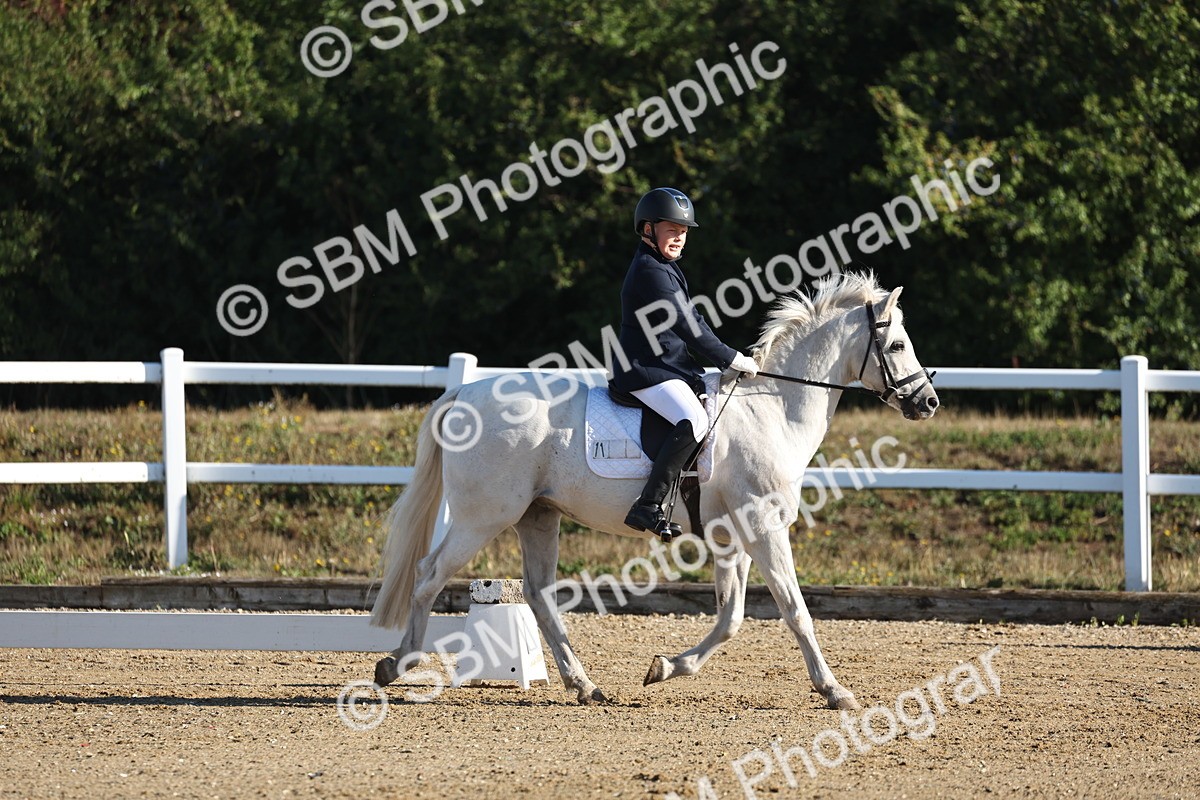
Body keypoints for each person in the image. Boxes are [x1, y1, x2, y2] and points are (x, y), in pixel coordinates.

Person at [608, 187, 759, 537]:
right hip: (644, 370)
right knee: (694, 420)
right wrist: (730, 357)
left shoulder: (664, 265)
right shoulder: (650, 270)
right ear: (648, 229)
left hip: (667, 365)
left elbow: (694, 319)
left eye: (684, 231)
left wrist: (727, 357)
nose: (679, 237)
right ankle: (647, 505)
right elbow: (687, 326)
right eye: (672, 230)